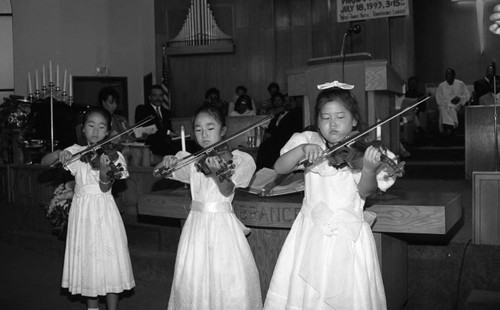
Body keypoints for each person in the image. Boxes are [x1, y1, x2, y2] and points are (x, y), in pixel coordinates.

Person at [263, 84, 397, 310]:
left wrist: (369, 169)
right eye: (325, 117)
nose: (332, 123)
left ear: (354, 120)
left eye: (340, 116)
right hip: (310, 231)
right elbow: (279, 167)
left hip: (348, 234)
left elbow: (364, 191)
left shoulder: (362, 150)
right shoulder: (309, 141)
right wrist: (302, 150)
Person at [154, 105, 262, 309]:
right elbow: (158, 173)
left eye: (210, 128)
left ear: (223, 131)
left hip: (222, 226)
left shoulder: (239, 159)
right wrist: (165, 161)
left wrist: (217, 173)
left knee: (225, 277)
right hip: (196, 226)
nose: (204, 135)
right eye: (198, 129)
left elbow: (227, 191)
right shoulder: (193, 161)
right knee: (194, 277)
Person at [41, 107, 135, 310]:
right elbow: (44, 162)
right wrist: (59, 153)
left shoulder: (114, 156)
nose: (95, 131)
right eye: (91, 126)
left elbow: (104, 187)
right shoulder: (75, 152)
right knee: (88, 265)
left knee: (109, 264)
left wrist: (104, 171)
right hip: (82, 215)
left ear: (108, 132)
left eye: (101, 127)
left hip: (104, 212)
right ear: (82, 129)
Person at [256, 94, 303, 169]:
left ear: (295, 102)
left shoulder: (297, 114)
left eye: (290, 101)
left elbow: (290, 130)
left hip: (285, 142)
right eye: (285, 101)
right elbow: (270, 128)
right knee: (264, 147)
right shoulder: (278, 115)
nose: (288, 103)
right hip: (273, 142)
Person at [134, 84, 178, 161]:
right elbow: (151, 128)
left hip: (167, 143)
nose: (158, 98)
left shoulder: (167, 112)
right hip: (152, 144)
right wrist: (167, 132)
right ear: (149, 97)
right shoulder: (142, 109)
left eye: (160, 95)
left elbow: (169, 128)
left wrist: (176, 133)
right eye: (155, 95)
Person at [435, 68, 470, 142]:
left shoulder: (460, 83)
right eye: (446, 74)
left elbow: (467, 95)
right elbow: (438, 99)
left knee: (449, 109)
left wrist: (459, 99)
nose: (448, 76)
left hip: (456, 105)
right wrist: (447, 103)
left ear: (454, 75)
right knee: (443, 108)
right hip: (445, 105)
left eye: (449, 74)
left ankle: (446, 128)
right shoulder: (441, 86)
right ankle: (450, 128)